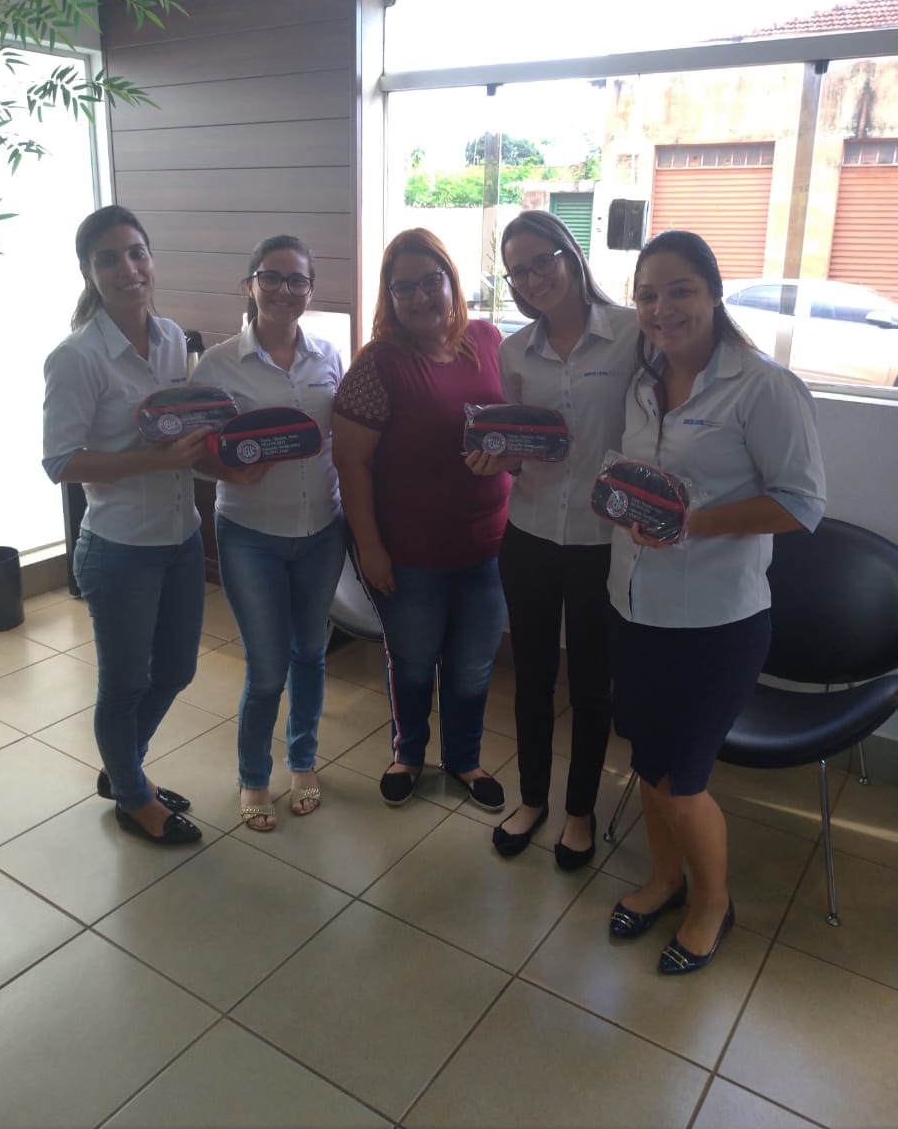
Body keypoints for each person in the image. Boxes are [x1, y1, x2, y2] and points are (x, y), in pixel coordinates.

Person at [606, 229, 825, 974]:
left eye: (679, 291)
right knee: (648, 765)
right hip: (632, 605)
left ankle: (711, 904)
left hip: (715, 622)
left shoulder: (763, 387)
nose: (660, 309)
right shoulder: (642, 381)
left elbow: (800, 504)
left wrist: (691, 523)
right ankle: (664, 879)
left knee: (682, 781)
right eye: (647, 295)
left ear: (713, 293)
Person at [467, 210, 639, 868]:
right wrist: (493, 458)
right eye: (518, 271)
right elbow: (518, 451)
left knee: (592, 684)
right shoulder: (514, 352)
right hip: (532, 533)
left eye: (543, 261)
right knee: (532, 677)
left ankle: (579, 812)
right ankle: (533, 799)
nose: (534, 278)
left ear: (570, 254)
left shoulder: (630, 334)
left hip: (603, 538)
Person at [42, 205, 207, 845]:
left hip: (182, 537)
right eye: (108, 258)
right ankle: (133, 797)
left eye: (137, 252)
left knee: (176, 670)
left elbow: (179, 427)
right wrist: (156, 460)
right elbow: (61, 462)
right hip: (119, 548)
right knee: (125, 684)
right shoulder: (77, 357)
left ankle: (123, 771)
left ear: (151, 259)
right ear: (89, 272)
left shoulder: (171, 339)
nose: (128, 268)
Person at [331, 229, 509, 810]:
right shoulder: (378, 364)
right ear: (389, 296)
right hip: (409, 553)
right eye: (402, 287)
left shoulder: (488, 340)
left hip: (490, 546)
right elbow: (351, 463)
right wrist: (370, 547)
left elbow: (516, 429)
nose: (419, 296)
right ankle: (408, 753)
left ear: (450, 281)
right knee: (412, 663)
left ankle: (464, 759)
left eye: (430, 281)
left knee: (472, 667)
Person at [191, 235, 345, 831]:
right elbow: (195, 453)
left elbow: (340, 441)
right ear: (250, 284)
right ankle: (253, 775)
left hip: (322, 530)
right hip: (249, 534)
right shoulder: (218, 364)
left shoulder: (329, 356)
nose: (284, 289)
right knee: (267, 667)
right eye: (271, 277)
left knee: (310, 653)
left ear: (310, 289)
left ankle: (302, 761)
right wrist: (230, 470)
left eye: (297, 280)